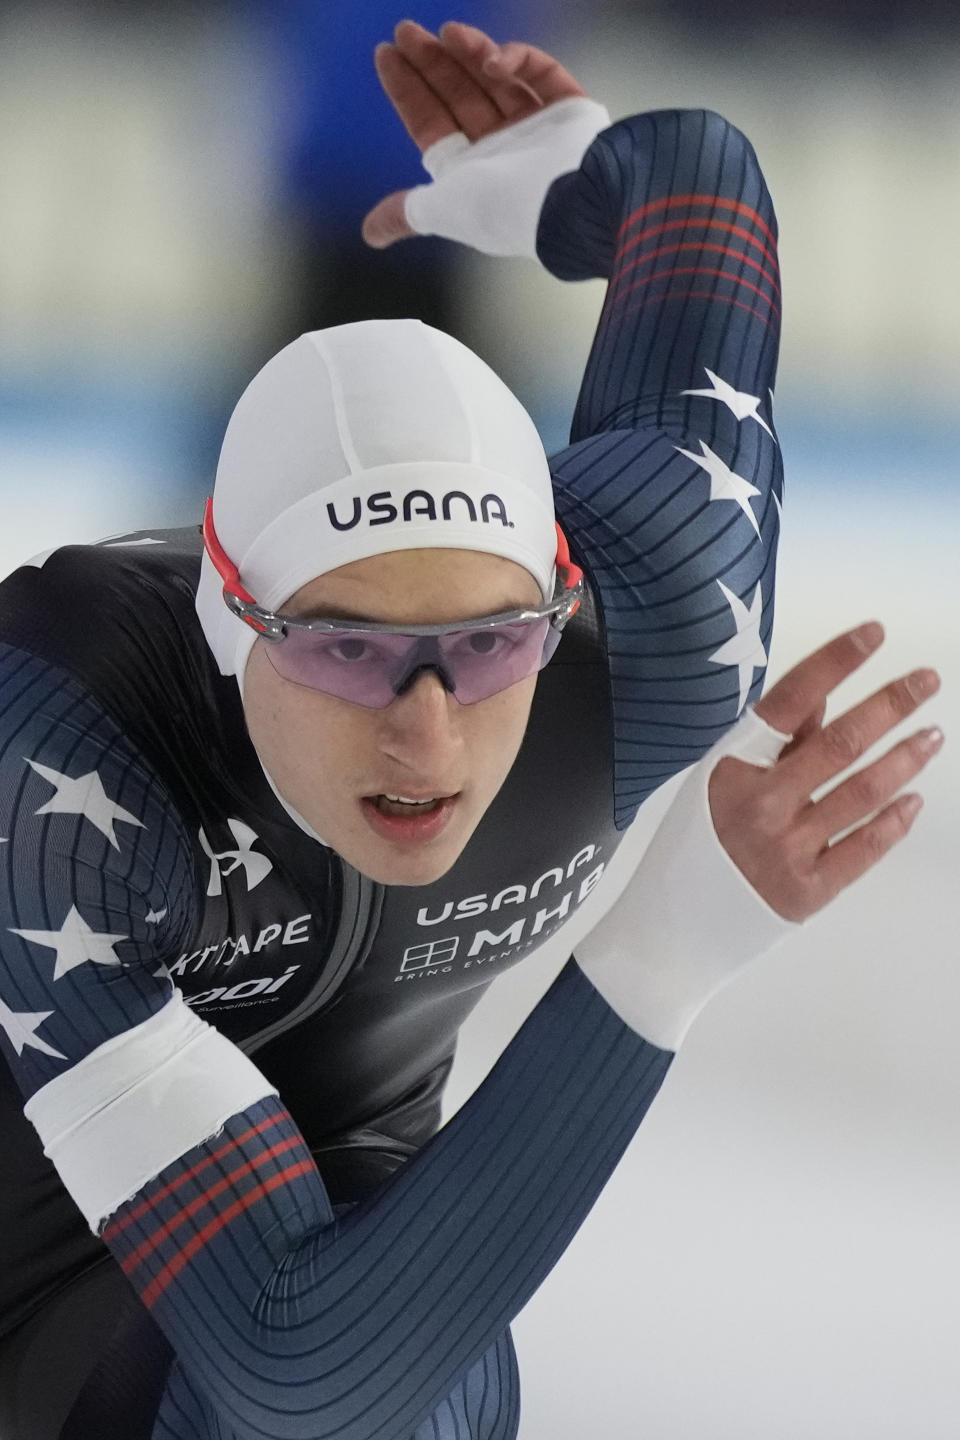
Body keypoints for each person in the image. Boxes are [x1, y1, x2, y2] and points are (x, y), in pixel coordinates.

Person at [0, 19, 942, 1440]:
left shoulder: (657, 632)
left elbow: (698, 176)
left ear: (563, 603)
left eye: (490, 646)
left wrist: (564, 180)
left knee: (411, 1388)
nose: (426, 734)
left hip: (327, 1204)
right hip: (43, 1248)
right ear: (226, 623)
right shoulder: (68, 762)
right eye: (346, 651)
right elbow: (293, 1361)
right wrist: (656, 959)